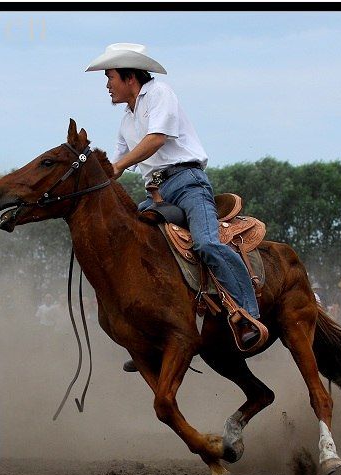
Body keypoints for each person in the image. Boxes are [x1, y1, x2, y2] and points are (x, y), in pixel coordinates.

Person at [85, 42, 265, 354]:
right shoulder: (126, 121)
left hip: (187, 183)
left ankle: (249, 315)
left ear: (130, 78)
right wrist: (88, 167)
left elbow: (156, 138)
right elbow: (112, 168)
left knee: (207, 243)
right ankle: (154, 334)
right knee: (133, 244)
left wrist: (117, 166)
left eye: (110, 77)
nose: (107, 85)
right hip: (156, 195)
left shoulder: (158, 93)